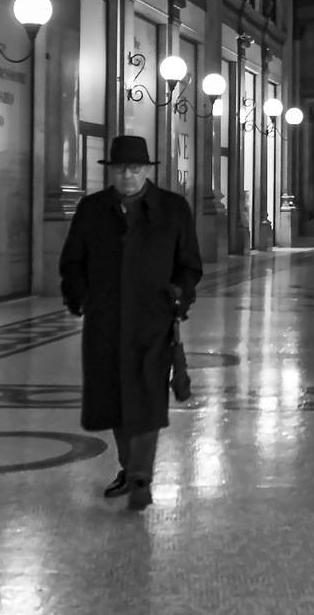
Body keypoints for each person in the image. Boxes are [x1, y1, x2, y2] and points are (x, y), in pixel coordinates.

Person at [58, 134, 203, 511]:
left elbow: (190, 265)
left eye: (134, 168)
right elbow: (72, 261)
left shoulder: (173, 209)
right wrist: (81, 297)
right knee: (115, 398)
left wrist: (178, 294)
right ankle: (131, 467)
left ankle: (140, 476)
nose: (127, 176)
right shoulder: (92, 210)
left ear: (146, 170)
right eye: (121, 169)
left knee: (148, 397)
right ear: (111, 172)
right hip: (105, 322)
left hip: (153, 320)